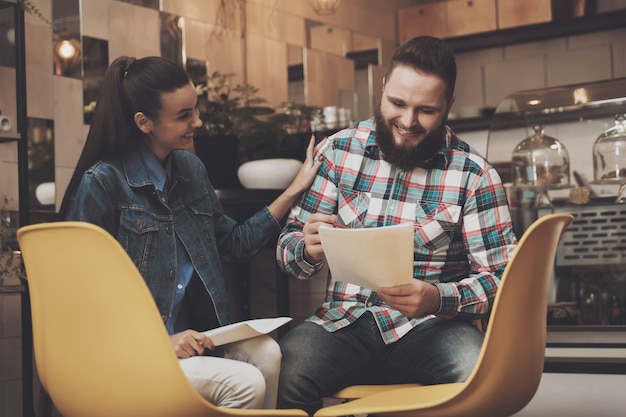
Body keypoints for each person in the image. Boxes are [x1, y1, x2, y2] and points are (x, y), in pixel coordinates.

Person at [58, 55, 323, 409]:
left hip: (192, 339)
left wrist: (293, 190)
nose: (197, 122)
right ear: (144, 122)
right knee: (244, 382)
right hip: (126, 353)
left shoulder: (190, 170)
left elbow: (233, 245)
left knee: (268, 353)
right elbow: (81, 298)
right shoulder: (102, 184)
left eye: (195, 109)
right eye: (183, 115)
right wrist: (157, 342)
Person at [275, 35, 518, 416]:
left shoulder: (475, 175)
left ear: (448, 106)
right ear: (383, 86)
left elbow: (505, 279)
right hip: (343, 323)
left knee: (475, 373)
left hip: (434, 328)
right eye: (398, 103)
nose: (407, 122)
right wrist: (304, 248)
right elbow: (288, 253)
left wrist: (438, 297)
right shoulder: (339, 152)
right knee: (286, 370)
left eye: (426, 110)